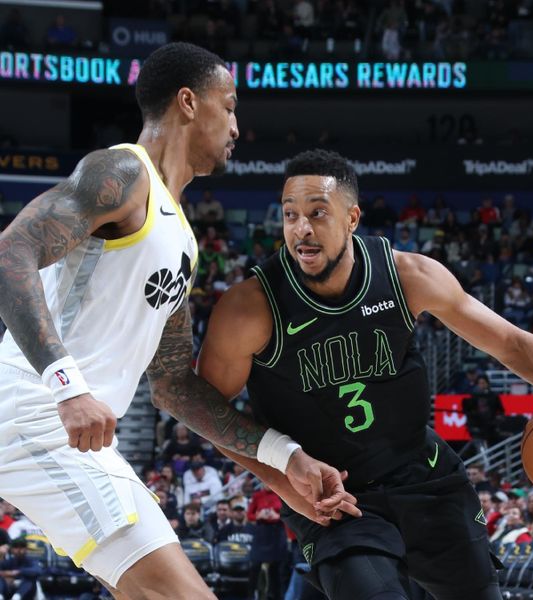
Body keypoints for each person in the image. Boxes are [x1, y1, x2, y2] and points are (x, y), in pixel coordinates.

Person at [196, 148, 533, 600]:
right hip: (335, 501)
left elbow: (512, 344)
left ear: (352, 218)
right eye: (290, 215)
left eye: (318, 213)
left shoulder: (407, 275)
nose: (302, 229)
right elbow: (206, 409)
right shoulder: (250, 308)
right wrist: (281, 476)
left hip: (425, 477)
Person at [0, 43, 357, 600]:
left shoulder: (182, 237)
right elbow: (10, 254)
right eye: (230, 105)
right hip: (39, 414)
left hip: (72, 435)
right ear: (189, 102)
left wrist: (285, 461)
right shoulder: (121, 173)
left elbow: (173, 387)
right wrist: (66, 386)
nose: (237, 125)